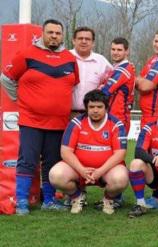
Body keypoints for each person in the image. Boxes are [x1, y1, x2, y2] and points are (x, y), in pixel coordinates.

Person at [1, 19, 79, 214]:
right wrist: (21, 99)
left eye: (57, 33)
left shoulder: (70, 58)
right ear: (43, 34)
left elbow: (73, 84)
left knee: (52, 164)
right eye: (50, 32)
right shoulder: (27, 54)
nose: (54, 36)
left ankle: (49, 200)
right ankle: (21, 202)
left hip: (59, 122)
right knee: (27, 161)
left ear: (62, 35)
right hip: (31, 121)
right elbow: (6, 78)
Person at [48, 90, 128, 215]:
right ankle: (77, 197)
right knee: (55, 175)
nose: (95, 110)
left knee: (121, 179)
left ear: (106, 107)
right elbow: (65, 152)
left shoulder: (116, 124)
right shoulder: (76, 123)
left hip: (106, 170)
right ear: (86, 108)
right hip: (79, 170)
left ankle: (107, 199)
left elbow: (120, 153)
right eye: (91, 107)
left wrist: (100, 171)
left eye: (99, 107)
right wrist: (81, 170)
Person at [70, 27, 113, 117]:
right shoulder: (65, 57)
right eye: (80, 38)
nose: (84, 41)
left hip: (92, 116)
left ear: (93, 43)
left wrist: (129, 68)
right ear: (73, 41)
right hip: (66, 114)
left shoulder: (101, 61)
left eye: (88, 39)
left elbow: (115, 79)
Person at [100, 37, 135, 133]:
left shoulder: (123, 70)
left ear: (127, 51)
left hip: (118, 117)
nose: (115, 52)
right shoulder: (117, 68)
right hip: (114, 116)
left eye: (119, 50)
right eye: (113, 49)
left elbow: (104, 93)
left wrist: (100, 88)